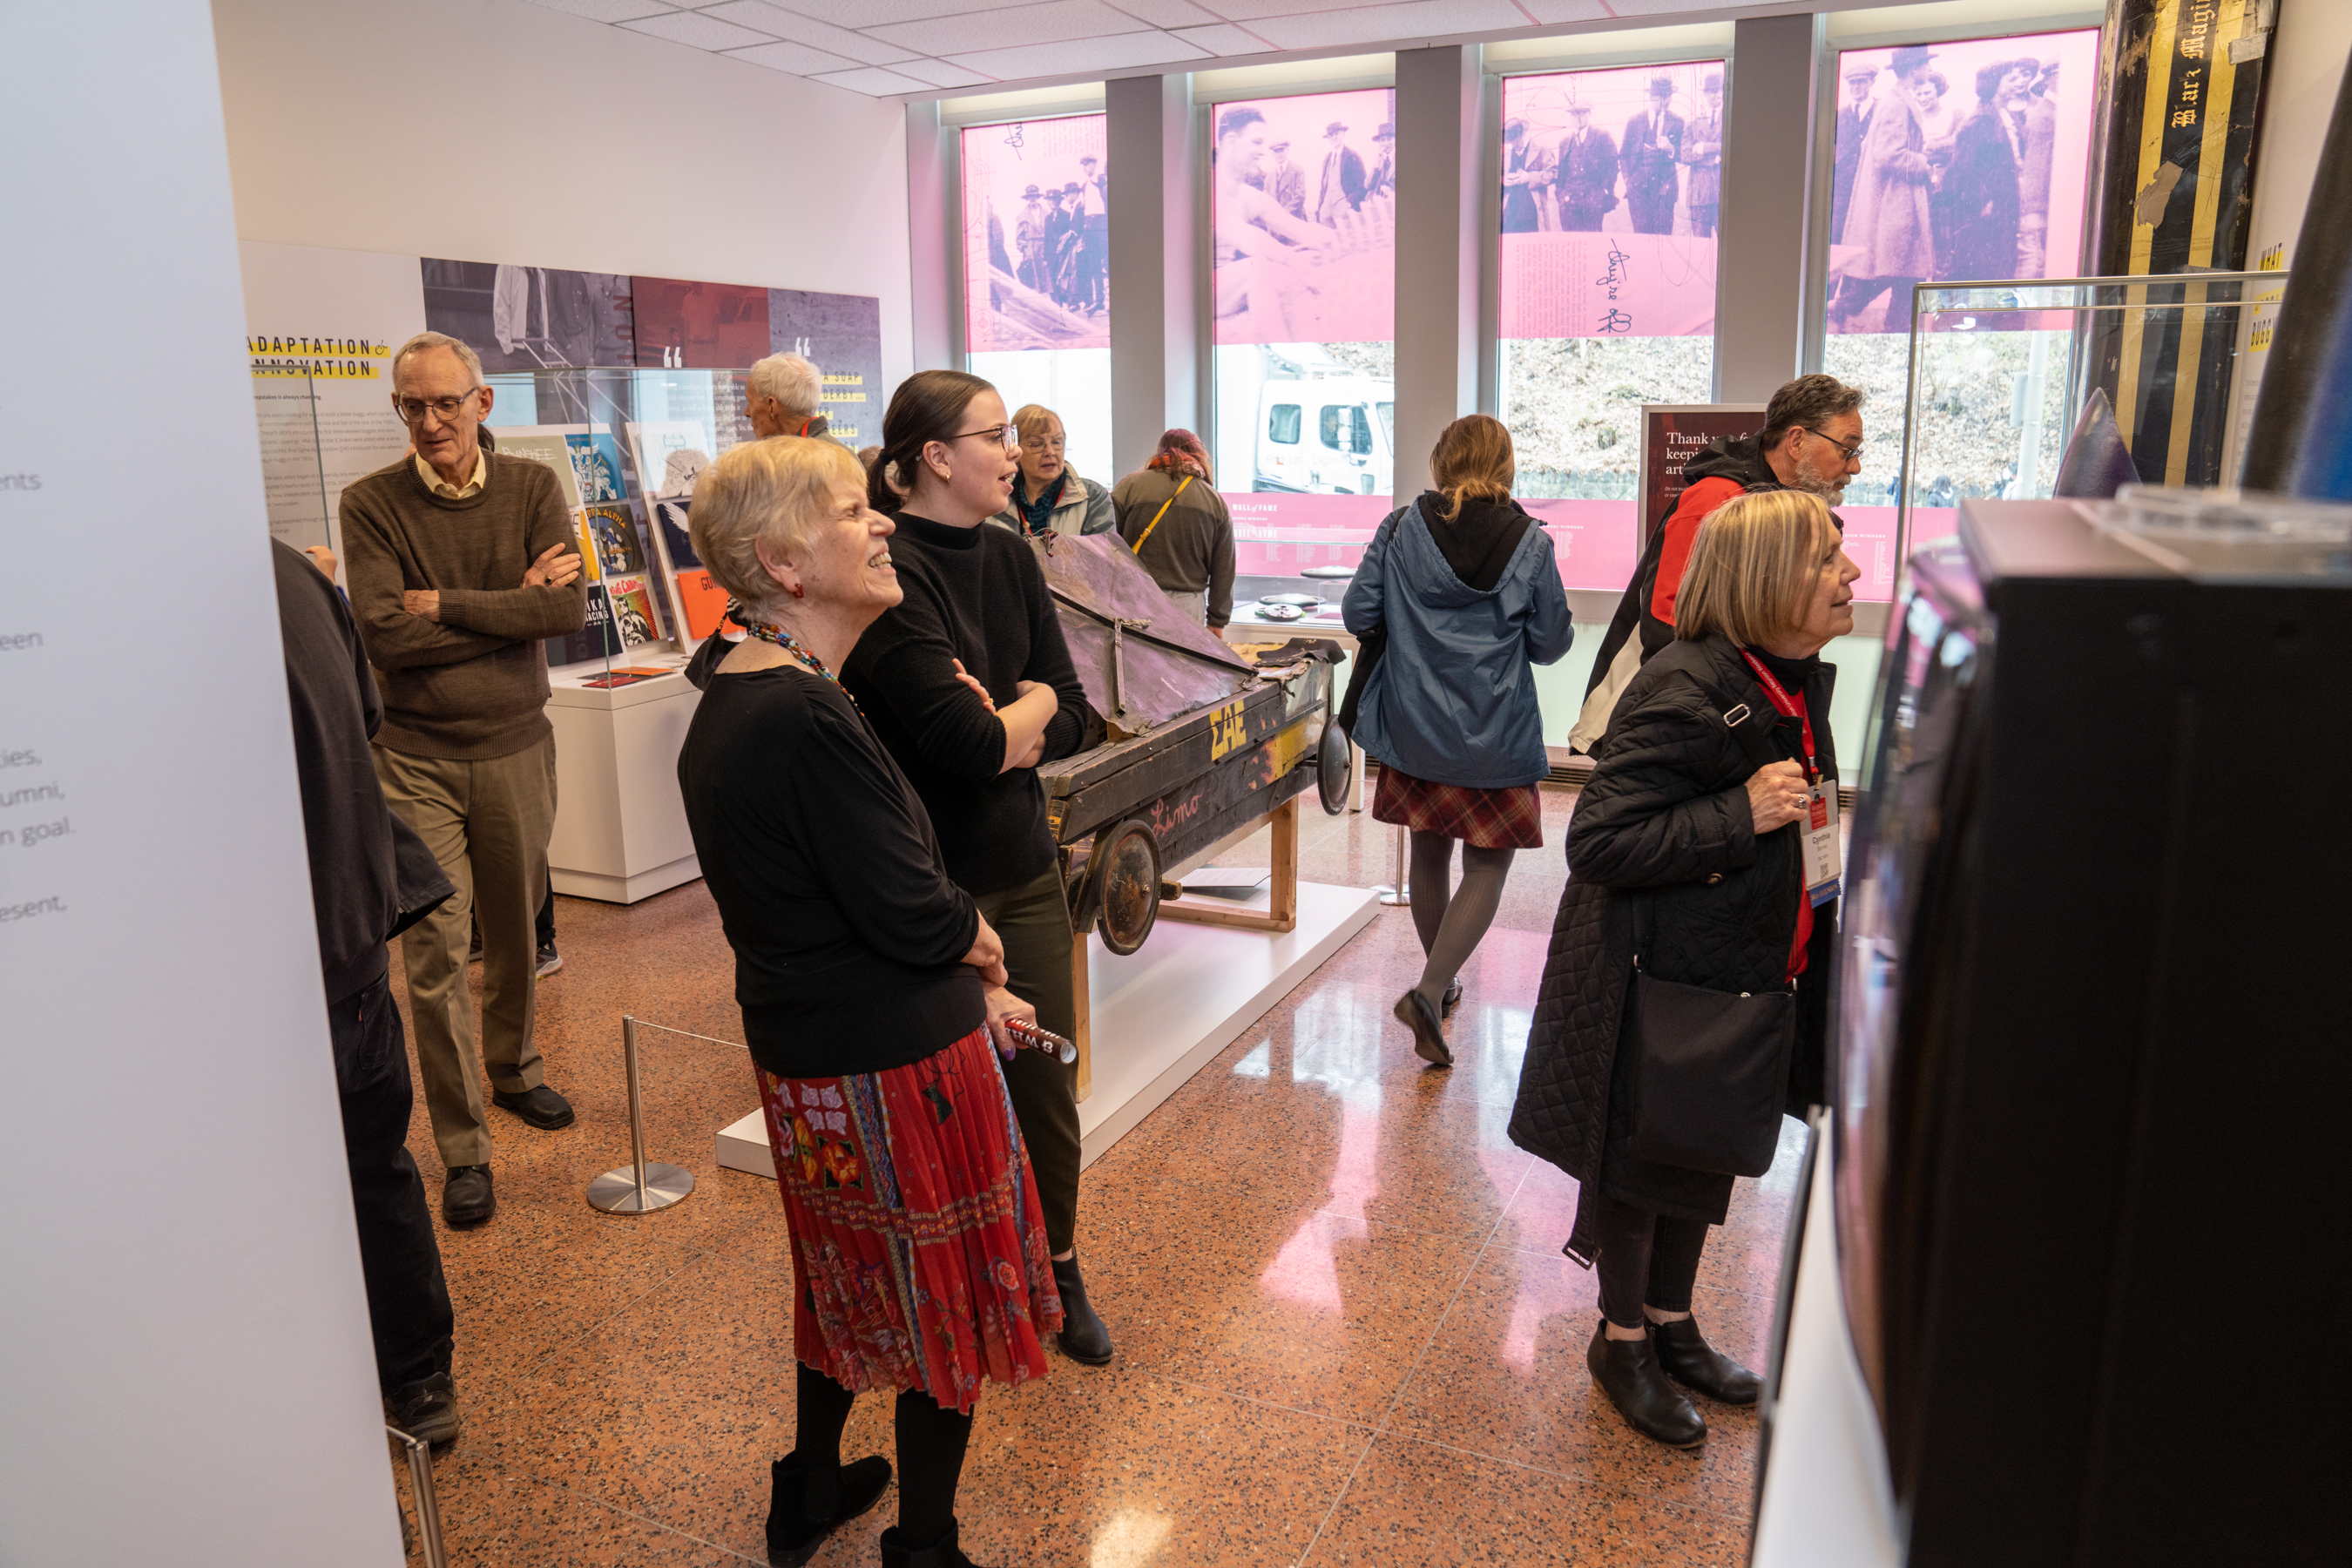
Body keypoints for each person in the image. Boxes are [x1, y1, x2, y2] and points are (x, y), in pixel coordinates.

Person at [676, 436, 1062, 1568]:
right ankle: (926, 1546)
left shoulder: (739, 685)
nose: (882, 523)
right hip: (897, 1068)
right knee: (941, 1297)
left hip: (811, 1054)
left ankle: (807, 1491)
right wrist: (982, 948)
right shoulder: (803, 716)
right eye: (852, 511)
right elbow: (913, 915)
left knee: (843, 1280)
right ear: (783, 561)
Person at [1511, 489, 1858, 1449]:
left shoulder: (1787, 678)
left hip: (1730, 973)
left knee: (1696, 1151)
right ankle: (1621, 1342)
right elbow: (1600, 838)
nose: (1852, 572)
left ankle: (1672, 1324)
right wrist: (1740, 814)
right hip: (1653, 981)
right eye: (1830, 557)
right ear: (1766, 580)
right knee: (1641, 1163)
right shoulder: (1684, 687)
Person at [844, 370, 1115, 1369]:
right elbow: (960, 748)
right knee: (944, 1099)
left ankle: (1062, 1268)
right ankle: (961, 1282)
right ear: (934, 458)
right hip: (930, 889)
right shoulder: (888, 570)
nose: (1015, 451)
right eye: (995, 435)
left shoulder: (1007, 555)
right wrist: (1019, 710)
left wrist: (1020, 715)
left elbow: (1078, 714)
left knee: (1046, 1084)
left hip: (1023, 865)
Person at [341, 331, 588, 1227]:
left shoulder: (531, 486)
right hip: (415, 759)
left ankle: (516, 1069)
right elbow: (381, 637)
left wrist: (442, 601)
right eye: (412, 405)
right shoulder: (370, 504)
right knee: (437, 953)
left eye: (447, 403)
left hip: (518, 744)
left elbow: (561, 608)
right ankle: (462, 1147)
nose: (430, 421)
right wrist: (506, 610)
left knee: (516, 931)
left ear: (485, 404)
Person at [274, 539, 462, 1445]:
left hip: (301, 958)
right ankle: (417, 1371)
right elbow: (369, 706)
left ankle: (386, 1373)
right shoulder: (291, 567)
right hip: (342, 942)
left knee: (353, 1171)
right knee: (374, 1168)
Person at [1340, 416, 1573, 1064]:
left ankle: (1436, 985)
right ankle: (1433, 986)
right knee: (1489, 865)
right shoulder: (1531, 542)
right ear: (1505, 467)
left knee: (1429, 853)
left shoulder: (1398, 528)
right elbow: (1552, 645)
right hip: (1496, 736)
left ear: (1442, 462)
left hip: (1415, 730)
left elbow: (1359, 614)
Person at [1572, 375, 1862, 751]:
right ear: (1796, 441)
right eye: (1847, 450)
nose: (1854, 468)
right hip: (1680, 716)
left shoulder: (1792, 508)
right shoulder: (1719, 499)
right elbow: (1667, 627)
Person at [1835, 45, 1937, 328]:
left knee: (1902, 275)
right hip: (1897, 204)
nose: (1929, 70)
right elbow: (1886, 154)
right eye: (1926, 65)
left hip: (1897, 202)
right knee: (1902, 273)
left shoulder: (1898, 99)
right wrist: (1924, 163)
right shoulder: (1897, 103)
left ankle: (1851, 310)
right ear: (1915, 68)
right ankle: (1848, 309)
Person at [1212, 107, 1332, 337]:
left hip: (1224, 286)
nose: (1262, 152)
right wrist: (1290, 258)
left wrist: (1350, 238)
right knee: (1257, 268)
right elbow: (1242, 235)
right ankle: (1277, 348)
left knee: (1290, 265)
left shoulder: (1247, 195)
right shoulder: (1204, 187)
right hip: (1186, 290)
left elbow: (1301, 230)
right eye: (1256, 143)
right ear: (1230, 142)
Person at [1113, 429, 1234, 630]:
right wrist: (1217, 621)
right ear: (1198, 454)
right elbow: (1224, 568)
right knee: (1182, 662)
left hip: (1135, 597)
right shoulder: (1214, 501)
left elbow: (1104, 542)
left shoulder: (1129, 486)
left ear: (1161, 452)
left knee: (1137, 660)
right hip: (1187, 606)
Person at [1938, 61, 2025, 284]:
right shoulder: (1980, 121)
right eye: (2011, 79)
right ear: (1994, 85)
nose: (2019, 84)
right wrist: (1982, 201)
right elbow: (1959, 170)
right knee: (1982, 270)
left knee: (2000, 268)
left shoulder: (2005, 116)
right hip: (1986, 213)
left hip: (2003, 208)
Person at [989, 404, 1115, 538]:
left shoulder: (1093, 497)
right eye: (1037, 444)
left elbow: (1104, 557)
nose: (1050, 452)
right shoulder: (996, 497)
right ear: (1016, 450)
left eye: (1056, 442)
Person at [1622, 77, 1685, 236]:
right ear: (1651, 97)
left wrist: (1671, 148)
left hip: (1665, 189)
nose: (1666, 100)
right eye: (1662, 96)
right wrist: (1628, 180)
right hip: (1638, 190)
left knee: (1663, 239)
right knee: (1641, 236)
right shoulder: (1634, 121)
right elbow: (1623, 155)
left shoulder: (1678, 122)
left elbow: (1684, 154)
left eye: (1669, 96)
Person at [2017, 58, 2060, 278]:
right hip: (2041, 207)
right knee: (2036, 267)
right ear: (2052, 76)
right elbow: (2035, 168)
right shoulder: (2044, 115)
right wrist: (2034, 210)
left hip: (2047, 205)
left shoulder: (2053, 112)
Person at [1830, 63, 1880, 247]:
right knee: (1838, 229)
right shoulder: (1839, 115)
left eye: (1861, 82)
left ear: (1871, 82)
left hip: (1871, 179)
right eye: (1852, 83)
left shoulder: (1881, 110)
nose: (1856, 87)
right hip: (1843, 183)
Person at [1552, 103, 1619, 233]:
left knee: (1593, 242)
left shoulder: (1602, 136)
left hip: (1593, 199)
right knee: (1571, 243)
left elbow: (1613, 166)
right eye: (1573, 114)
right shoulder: (1565, 142)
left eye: (1581, 113)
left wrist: (1604, 190)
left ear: (1589, 114)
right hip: (1569, 201)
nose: (1577, 117)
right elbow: (1561, 173)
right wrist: (1561, 194)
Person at [1680, 73, 1725, 240]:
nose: (1718, 95)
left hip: (1724, 194)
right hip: (1698, 195)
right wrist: (1715, 156)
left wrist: (1703, 148)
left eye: (1720, 90)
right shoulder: (1692, 123)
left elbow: (1732, 148)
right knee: (1700, 248)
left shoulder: (1731, 119)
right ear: (1705, 94)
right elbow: (1684, 155)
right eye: (1713, 91)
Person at [748, 351, 830, 440]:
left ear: (772, 407)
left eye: (751, 403)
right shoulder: (837, 451)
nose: (747, 413)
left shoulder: (802, 453)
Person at [1500, 118, 1551, 234]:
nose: (1513, 144)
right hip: (1510, 216)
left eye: (1515, 141)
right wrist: (1503, 181)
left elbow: (1553, 173)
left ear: (1523, 134)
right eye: (1510, 142)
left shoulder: (1541, 149)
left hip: (1532, 215)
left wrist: (1529, 177)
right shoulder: (1507, 156)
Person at [1074, 154, 1109, 312]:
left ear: (1094, 164)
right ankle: (1099, 300)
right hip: (1089, 227)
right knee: (1094, 265)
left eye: (1086, 165)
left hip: (1101, 225)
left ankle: (1111, 300)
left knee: (1107, 263)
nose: (1084, 168)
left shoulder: (1102, 181)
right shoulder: (1084, 186)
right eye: (1082, 165)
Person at [1315, 119, 1367, 224]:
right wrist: (1321, 206)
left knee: (1344, 235)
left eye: (1336, 134)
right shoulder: (1327, 159)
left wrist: (1350, 203)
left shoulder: (1352, 156)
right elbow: (1324, 185)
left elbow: (1362, 185)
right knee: (1326, 234)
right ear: (1328, 139)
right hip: (1327, 205)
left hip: (1343, 202)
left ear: (1343, 134)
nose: (1334, 138)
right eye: (1331, 136)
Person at [1016, 184, 1051, 294]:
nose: (1032, 199)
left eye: (1034, 196)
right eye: (1030, 197)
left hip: (1045, 246)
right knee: (1034, 281)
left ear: (1038, 197)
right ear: (1027, 199)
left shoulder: (1047, 213)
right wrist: (1025, 249)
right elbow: (1018, 239)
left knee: (1047, 276)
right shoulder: (1023, 217)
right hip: (1031, 249)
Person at [1262, 136, 1308, 220]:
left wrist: (1284, 213)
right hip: (1276, 223)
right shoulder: (1269, 177)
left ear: (1287, 150)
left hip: (1294, 219)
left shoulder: (1297, 170)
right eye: (1276, 151)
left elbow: (1300, 196)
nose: (1280, 154)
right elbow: (1266, 200)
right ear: (1273, 154)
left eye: (1282, 150)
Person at [1364, 120, 1396, 202]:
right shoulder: (1379, 160)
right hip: (1379, 203)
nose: (1386, 143)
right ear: (1379, 142)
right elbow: (1367, 185)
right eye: (1383, 140)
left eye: (1389, 139)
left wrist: (1392, 189)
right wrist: (1377, 164)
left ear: (1395, 140)